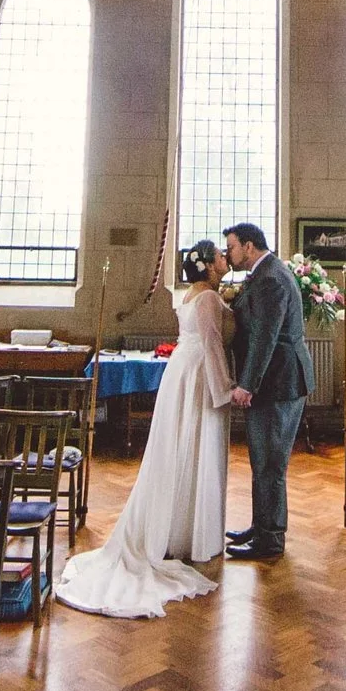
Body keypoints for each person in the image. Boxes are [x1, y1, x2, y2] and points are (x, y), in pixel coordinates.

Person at [52, 239, 236, 618]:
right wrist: (226, 389)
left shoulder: (193, 295)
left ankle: (182, 527)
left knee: (183, 446)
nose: (224, 258)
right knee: (193, 445)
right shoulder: (205, 299)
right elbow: (214, 345)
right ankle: (187, 534)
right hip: (198, 374)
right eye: (219, 255)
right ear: (208, 266)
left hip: (184, 371)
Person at [222, 221, 312, 562]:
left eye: (231, 247)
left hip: (279, 383)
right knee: (263, 461)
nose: (228, 255)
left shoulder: (271, 278)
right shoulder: (266, 272)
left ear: (248, 246)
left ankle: (270, 540)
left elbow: (265, 337)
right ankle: (261, 527)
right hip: (276, 382)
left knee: (270, 463)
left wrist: (248, 384)